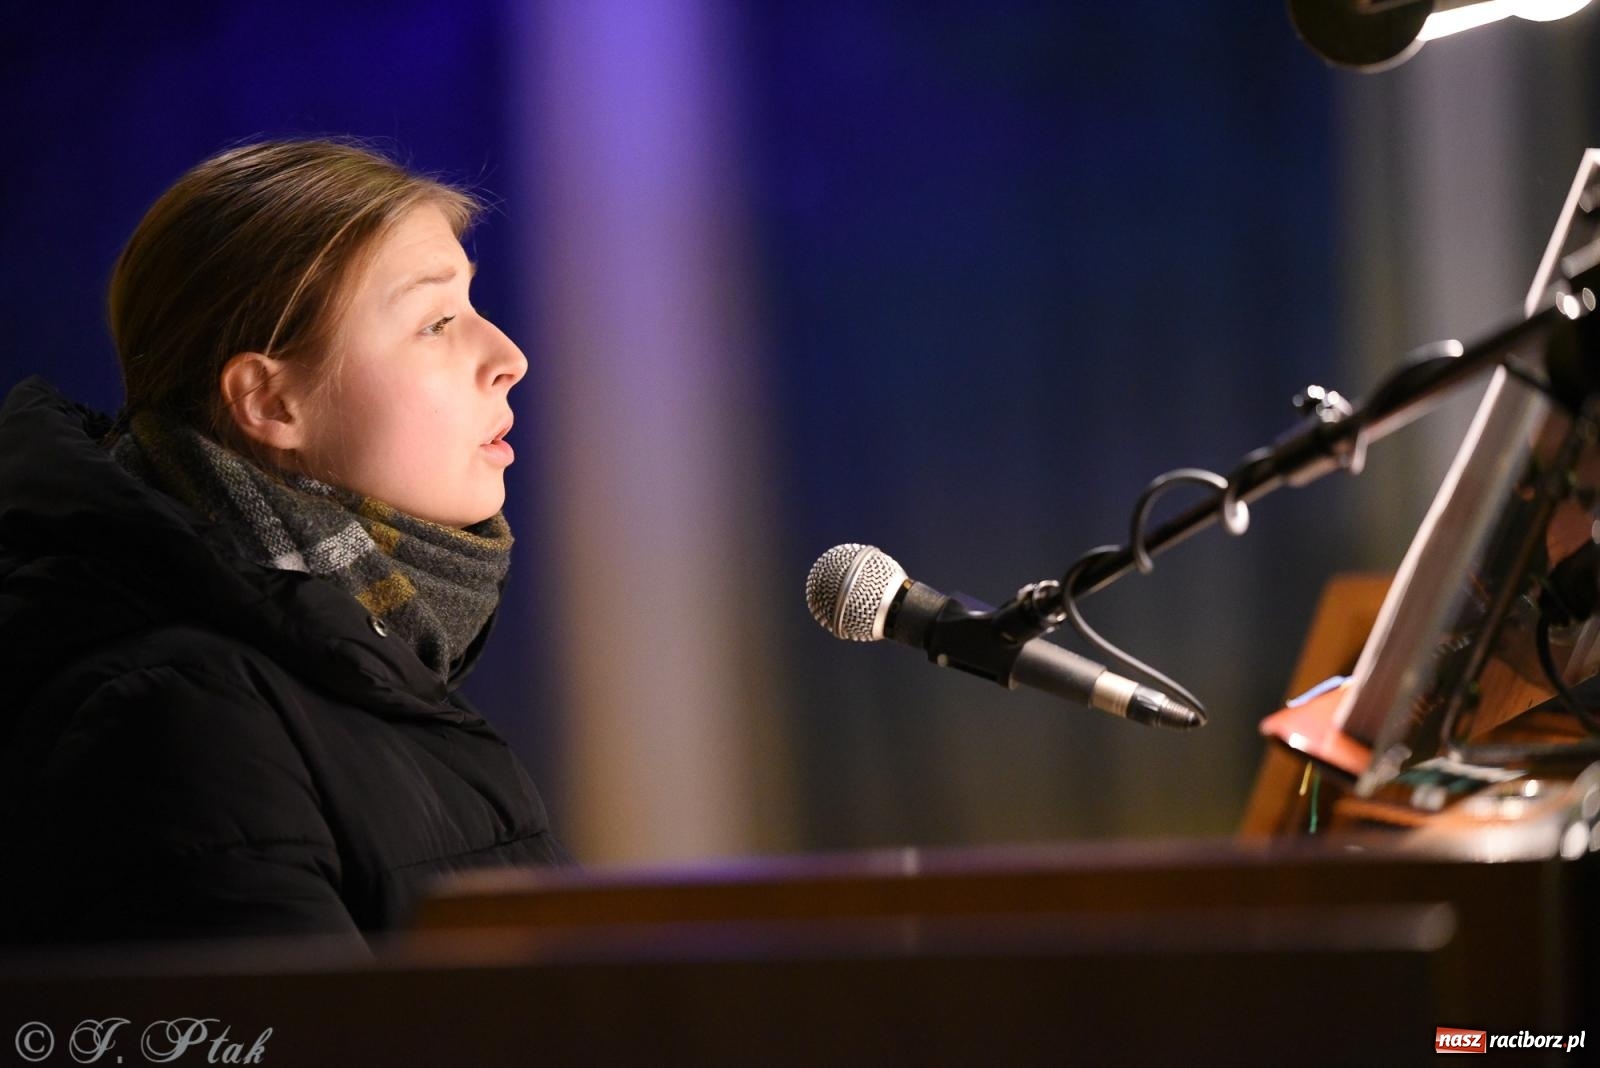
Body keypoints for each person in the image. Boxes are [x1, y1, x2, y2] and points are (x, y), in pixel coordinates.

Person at [0, 138, 568, 946]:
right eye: (437, 322)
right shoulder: (179, 718)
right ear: (270, 403)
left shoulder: (362, 664)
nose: (509, 357)